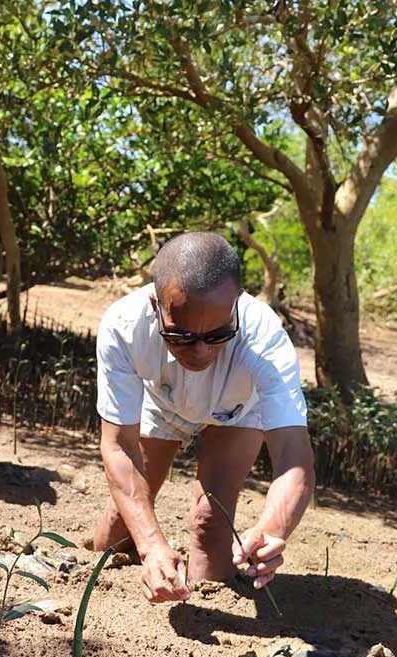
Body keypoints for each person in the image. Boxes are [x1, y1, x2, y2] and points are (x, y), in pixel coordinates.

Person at [91, 232, 315, 604]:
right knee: (117, 529)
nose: (200, 351)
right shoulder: (122, 326)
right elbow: (118, 446)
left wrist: (275, 527)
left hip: (237, 411)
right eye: (179, 336)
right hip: (161, 401)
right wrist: (151, 547)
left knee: (210, 524)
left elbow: (293, 456)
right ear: (155, 303)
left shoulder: (265, 339)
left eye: (218, 335)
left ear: (236, 305)